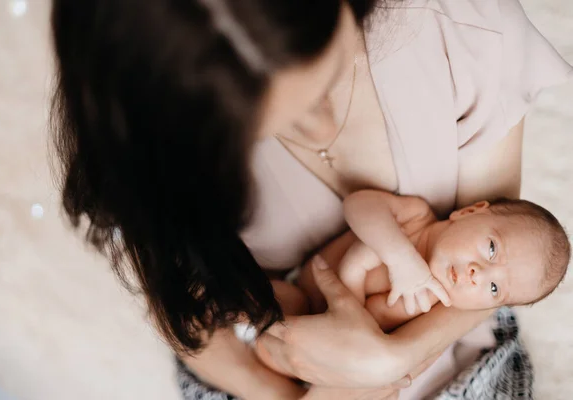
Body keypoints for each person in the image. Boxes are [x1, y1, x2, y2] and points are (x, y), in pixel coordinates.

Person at [49, 0, 572, 398]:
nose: (321, 131)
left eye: (328, 81)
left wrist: (394, 361)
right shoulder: (153, 146)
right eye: (267, 128)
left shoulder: (454, 22)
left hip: (449, 354)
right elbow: (194, 327)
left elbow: (508, 264)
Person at [280, 192, 570, 331]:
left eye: (494, 289)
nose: (478, 274)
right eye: (492, 249)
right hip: (294, 277)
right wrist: (399, 257)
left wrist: (354, 270)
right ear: (469, 211)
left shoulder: (423, 299)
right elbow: (357, 205)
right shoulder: (416, 216)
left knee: (280, 324)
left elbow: (358, 321)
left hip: (310, 321)